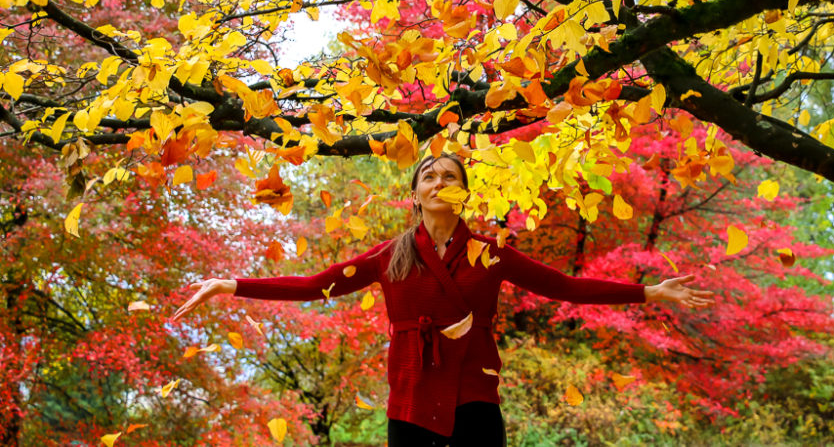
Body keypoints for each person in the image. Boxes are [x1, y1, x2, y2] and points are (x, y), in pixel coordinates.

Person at [172, 153, 714, 446]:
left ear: (463, 193)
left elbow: (564, 287)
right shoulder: (391, 255)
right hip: (410, 389)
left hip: (475, 391)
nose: (438, 183)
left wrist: (648, 291)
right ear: (415, 195)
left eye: (449, 177)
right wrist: (231, 284)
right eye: (428, 176)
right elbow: (317, 284)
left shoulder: (491, 253)